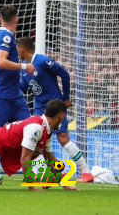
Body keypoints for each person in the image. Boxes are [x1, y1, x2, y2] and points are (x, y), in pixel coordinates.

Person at [17, 37, 94, 183]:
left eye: (17, 50)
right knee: (38, 142)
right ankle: (51, 173)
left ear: (22, 49)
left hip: (55, 105)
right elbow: (23, 88)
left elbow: (64, 74)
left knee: (63, 138)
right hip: (40, 108)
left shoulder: (42, 61)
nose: (17, 52)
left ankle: (86, 172)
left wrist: (65, 98)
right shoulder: (23, 68)